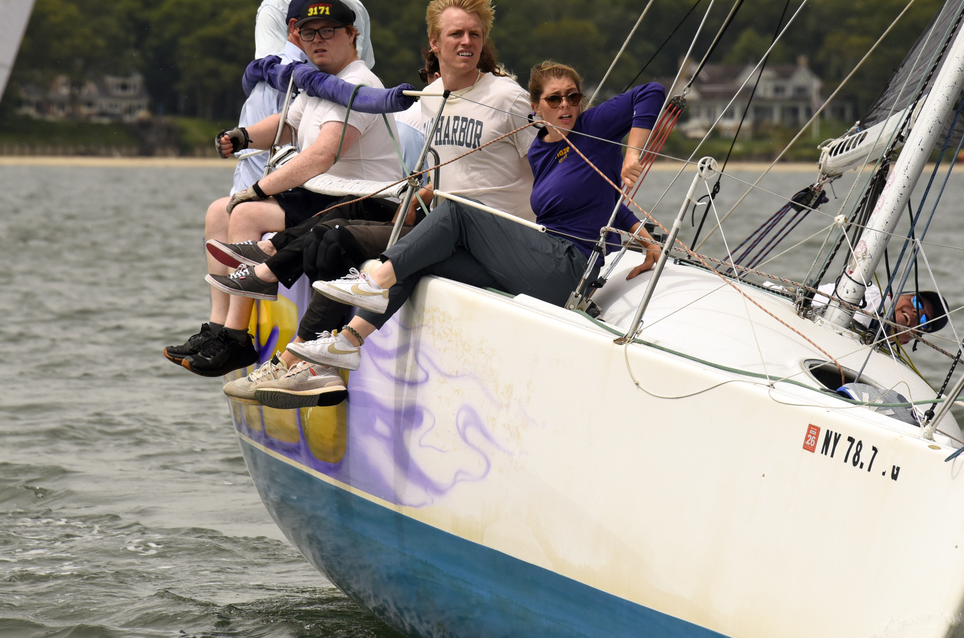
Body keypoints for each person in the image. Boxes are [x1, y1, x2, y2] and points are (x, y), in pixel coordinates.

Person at [257, 62, 667, 402]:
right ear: (535, 105)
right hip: (542, 261)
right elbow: (595, 199)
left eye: (572, 96)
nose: (566, 105)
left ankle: (372, 281)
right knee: (420, 258)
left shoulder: (593, 127)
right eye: (554, 99)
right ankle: (348, 341)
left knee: (459, 212)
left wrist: (632, 155)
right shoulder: (542, 148)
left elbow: (650, 92)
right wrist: (642, 234)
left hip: (568, 265)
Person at [215, 0, 541, 405]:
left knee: (340, 239)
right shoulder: (428, 100)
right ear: (434, 43)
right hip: (439, 224)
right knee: (334, 228)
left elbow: (547, 168)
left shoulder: (506, 97)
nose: (466, 42)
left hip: (492, 235)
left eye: (474, 34)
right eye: (456, 34)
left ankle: (298, 356)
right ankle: (304, 355)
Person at [162, 0, 401, 379]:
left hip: (357, 197)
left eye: (328, 31)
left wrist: (260, 188)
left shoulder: (358, 84)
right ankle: (218, 327)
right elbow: (288, 124)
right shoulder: (324, 81)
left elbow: (323, 153)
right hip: (323, 192)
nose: (318, 40)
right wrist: (242, 136)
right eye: (309, 34)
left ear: (352, 34)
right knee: (216, 212)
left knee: (245, 212)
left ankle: (237, 339)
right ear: (297, 39)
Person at [234, 0, 374, 198]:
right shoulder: (275, 6)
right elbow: (276, 71)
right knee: (246, 205)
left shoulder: (355, 9)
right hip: (282, 109)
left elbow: (361, 68)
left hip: (333, 115)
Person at [811, 281, 947, 345]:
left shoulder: (886, 364)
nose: (917, 312)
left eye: (924, 321)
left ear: (905, 342)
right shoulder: (869, 292)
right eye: (917, 302)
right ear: (894, 295)